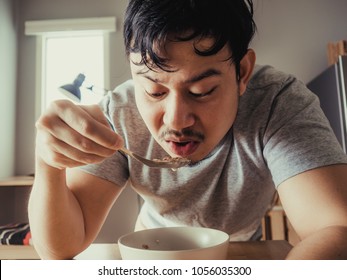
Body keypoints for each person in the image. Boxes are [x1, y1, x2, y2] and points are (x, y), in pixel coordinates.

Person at [28, 0, 347, 260]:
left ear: (242, 73)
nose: (176, 121)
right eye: (154, 92)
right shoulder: (120, 111)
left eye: (202, 90)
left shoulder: (277, 102)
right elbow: (60, 248)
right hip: (151, 252)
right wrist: (48, 165)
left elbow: (335, 227)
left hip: (241, 250)